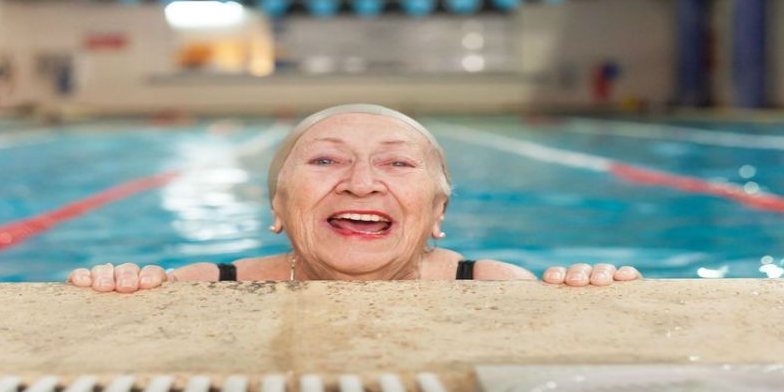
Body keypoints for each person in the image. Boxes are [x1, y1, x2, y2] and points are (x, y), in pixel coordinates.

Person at [68, 104, 642, 292]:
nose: (361, 183)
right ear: (277, 207)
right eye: (326, 161)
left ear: (438, 212)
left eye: (397, 163)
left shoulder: (497, 286)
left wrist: (593, 293)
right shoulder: (205, 287)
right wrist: (116, 289)